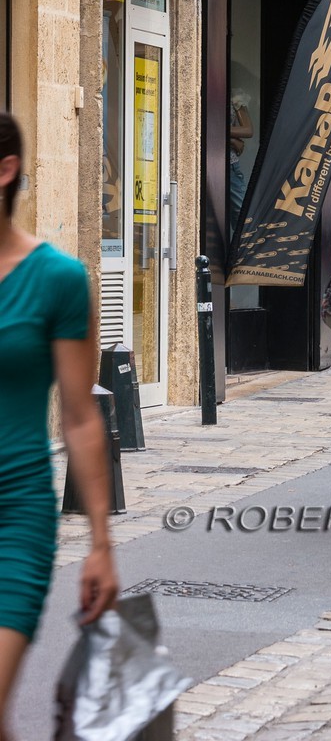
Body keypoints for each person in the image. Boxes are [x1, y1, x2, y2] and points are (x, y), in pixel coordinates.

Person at [0, 112, 119, 732]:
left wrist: (100, 543)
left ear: (6, 170)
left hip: (12, 516)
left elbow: (80, 418)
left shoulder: (58, 280)